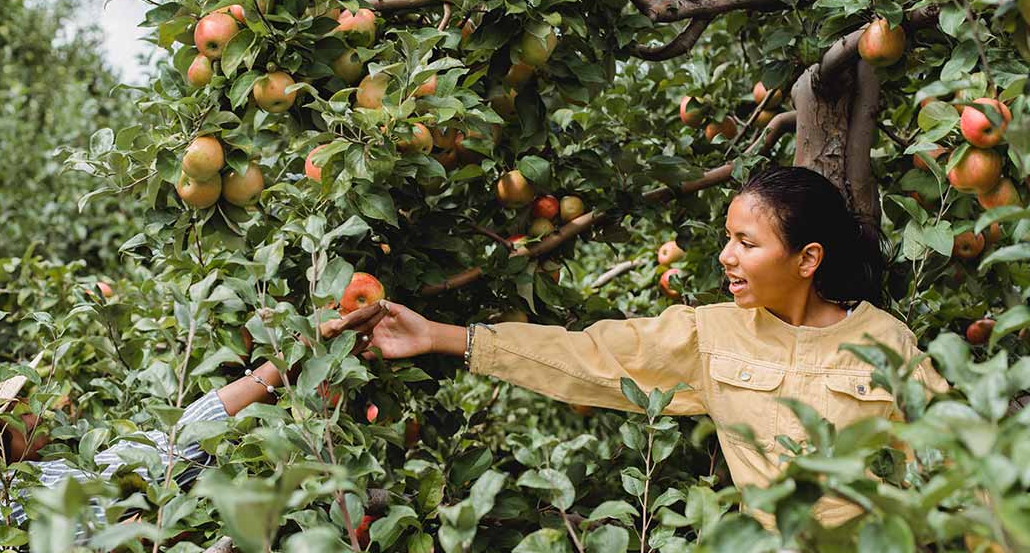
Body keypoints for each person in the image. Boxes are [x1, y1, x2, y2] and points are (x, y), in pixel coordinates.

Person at [360, 166, 950, 529]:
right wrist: (439, 336)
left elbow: (952, 458)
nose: (726, 257)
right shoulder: (709, 334)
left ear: (807, 259)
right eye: (727, 239)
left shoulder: (882, 341)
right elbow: (588, 357)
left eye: (746, 242)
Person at [0, 302, 387, 553]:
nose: (38, 410)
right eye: (21, 405)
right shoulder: (37, 494)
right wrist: (282, 361)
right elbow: (168, 449)